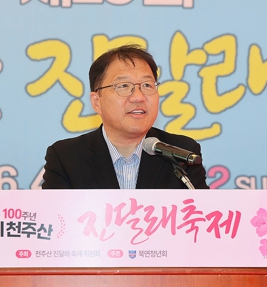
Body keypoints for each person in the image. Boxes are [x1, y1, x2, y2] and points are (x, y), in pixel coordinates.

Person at [42, 44, 208, 189]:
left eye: (147, 85)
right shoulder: (66, 157)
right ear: (97, 102)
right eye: (123, 86)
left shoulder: (182, 154)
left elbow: (202, 212)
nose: (138, 97)